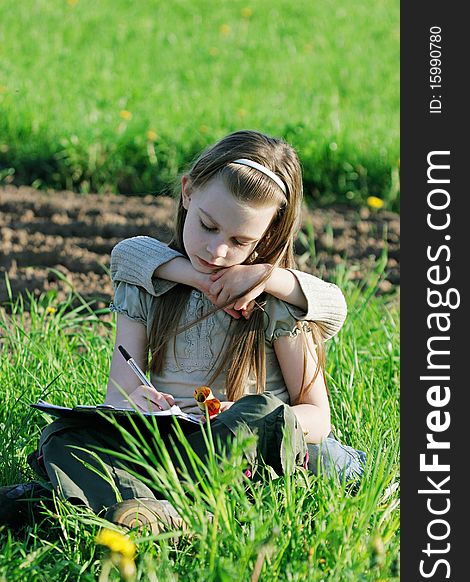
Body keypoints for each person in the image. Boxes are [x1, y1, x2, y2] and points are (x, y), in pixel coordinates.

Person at [1, 130, 365, 533]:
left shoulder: (278, 304)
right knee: (64, 434)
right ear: (188, 193)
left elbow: (317, 417)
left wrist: (271, 278)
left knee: (262, 415)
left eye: (240, 241)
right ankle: (169, 511)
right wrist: (137, 400)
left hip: (242, 449)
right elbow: (119, 395)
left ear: (268, 236)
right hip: (170, 446)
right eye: (208, 226)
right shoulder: (151, 285)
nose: (217, 251)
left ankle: (108, 502)